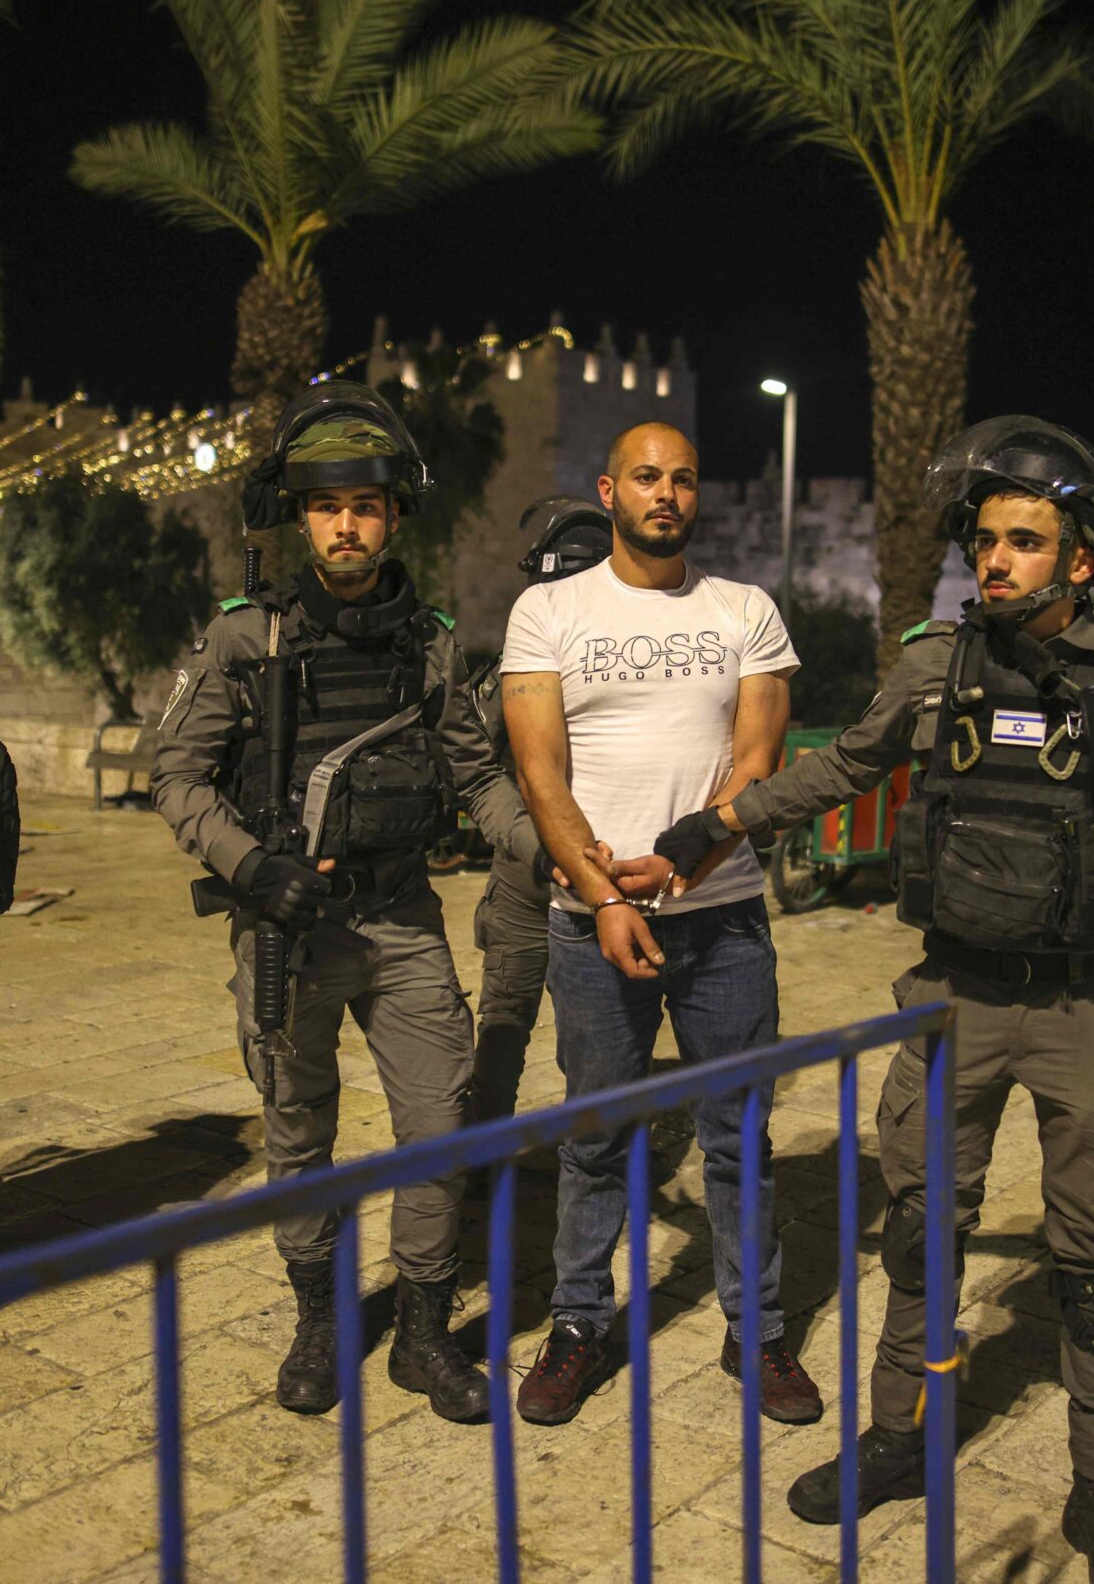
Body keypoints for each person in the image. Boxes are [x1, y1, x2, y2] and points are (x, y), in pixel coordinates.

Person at [649, 418, 1094, 1583]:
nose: (995, 560)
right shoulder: (936, 662)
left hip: (1089, 1013)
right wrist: (722, 823)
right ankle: (898, 1439)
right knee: (920, 1240)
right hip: (950, 1001)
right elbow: (845, 766)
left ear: (1080, 558)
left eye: (1025, 540)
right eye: (985, 539)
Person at [149, 381, 542, 1425]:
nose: (347, 524)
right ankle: (319, 1319)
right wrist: (248, 866)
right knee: (298, 1125)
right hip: (288, 927)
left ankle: (420, 1332)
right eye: (327, 506)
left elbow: (477, 775)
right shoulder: (247, 639)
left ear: (395, 514)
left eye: (365, 504)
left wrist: (553, 847)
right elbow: (175, 779)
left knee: (438, 1124)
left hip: (402, 918)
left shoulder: (428, 641)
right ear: (299, 516)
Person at [498, 421, 824, 1428]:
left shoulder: (744, 610)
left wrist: (690, 857)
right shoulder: (546, 610)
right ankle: (580, 1325)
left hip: (722, 922)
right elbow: (539, 771)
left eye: (683, 478)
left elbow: (755, 766)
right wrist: (603, 897)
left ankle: (758, 1331)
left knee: (739, 1136)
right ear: (609, 490)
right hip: (590, 922)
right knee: (594, 1136)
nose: (667, 494)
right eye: (647, 477)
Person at [468, 495, 614, 1126]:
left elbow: (474, 765)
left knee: (520, 1026)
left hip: (568, 878)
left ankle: (495, 1156)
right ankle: (578, 1159)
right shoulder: (524, 667)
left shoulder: (518, 663)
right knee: (558, 1034)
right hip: (557, 877)